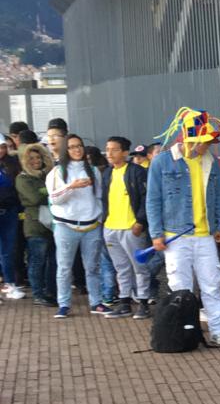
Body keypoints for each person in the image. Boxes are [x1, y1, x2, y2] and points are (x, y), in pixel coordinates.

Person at [146, 109, 220, 346]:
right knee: (179, 287)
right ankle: (184, 331)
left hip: (204, 234)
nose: (207, 146)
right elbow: (153, 199)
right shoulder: (163, 161)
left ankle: (218, 329)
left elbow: (217, 197)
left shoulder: (210, 162)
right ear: (189, 139)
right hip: (175, 235)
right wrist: (156, 234)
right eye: (203, 141)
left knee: (212, 284)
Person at [46, 134, 106, 318]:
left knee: (93, 267)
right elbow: (54, 199)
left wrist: (99, 219)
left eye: (79, 146)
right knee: (64, 267)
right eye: (72, 147)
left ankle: (96, 302)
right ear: (66, 149)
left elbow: (98, 197)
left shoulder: (93, 171)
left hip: (91, 225)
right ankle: (64, 304)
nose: (77, 150)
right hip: (66, 225)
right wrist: (71, 187)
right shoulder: (57, 172)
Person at [100, 136, 152, 320]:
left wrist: (140, 221)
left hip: (131, 228)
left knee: (140, 266)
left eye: (114, 150)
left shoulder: (136, 172)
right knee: (120, 267)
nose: (110, 153)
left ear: (124, 153)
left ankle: (144, 302)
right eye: (107, 149)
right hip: (111, 227)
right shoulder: (106, 173)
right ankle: (124, 302)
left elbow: (147, 198)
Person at [16, 143, 55, 306]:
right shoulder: (22, 178)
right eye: (31, 158)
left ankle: (50, 291)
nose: (36, 161)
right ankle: (38, 294)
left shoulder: (49, 174)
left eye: (38, 157)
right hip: (35, 225)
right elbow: (34, 198)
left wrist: (47, 191)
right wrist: (49, 191)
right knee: (37, 261)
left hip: (53, 225)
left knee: (51, 260)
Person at [0, 142, 20, 299]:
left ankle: (10, 283)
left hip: (10, 212)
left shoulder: (13, 164)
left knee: (8, 250)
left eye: (2, 147)